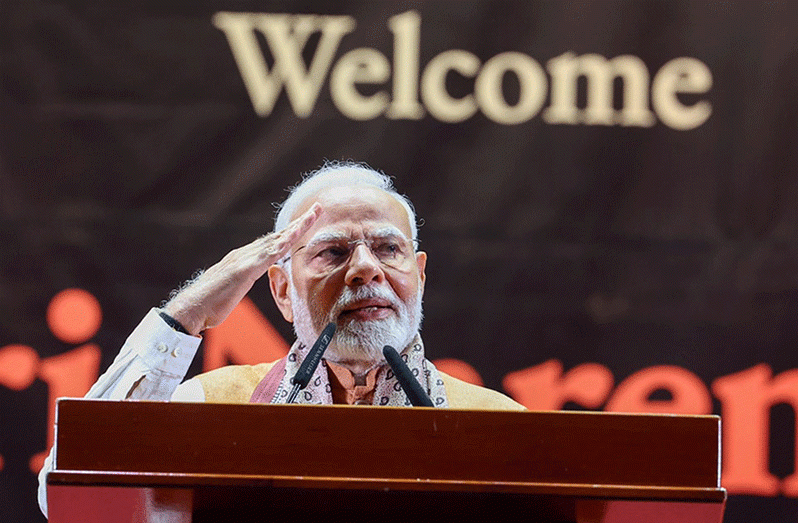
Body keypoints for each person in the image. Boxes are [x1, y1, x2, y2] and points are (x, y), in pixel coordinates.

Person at [37, 161, 524, 516]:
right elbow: (66, 495)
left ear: (418, 276)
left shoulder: (499, 424)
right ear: (283, 290)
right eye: (333, 252)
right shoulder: (214, 406)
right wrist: (188, 312)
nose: (365, 270)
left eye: (387, 248)